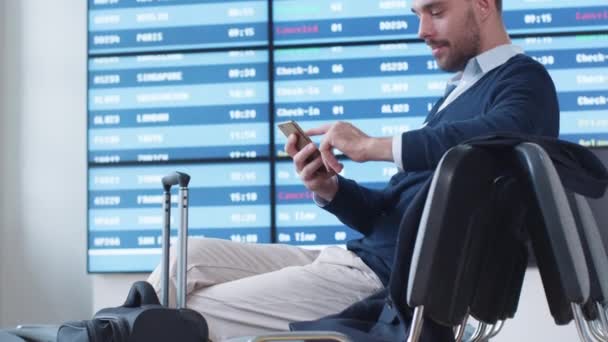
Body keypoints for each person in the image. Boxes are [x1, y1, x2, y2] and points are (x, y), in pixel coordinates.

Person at [147, 0, 559, 340]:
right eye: (416, 14)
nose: (421, 31)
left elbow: (496, 133)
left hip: (380, 280)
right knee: (186, 257)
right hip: (350, 257)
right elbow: (388, 217)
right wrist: (331, 189)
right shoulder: (458, 95)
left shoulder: (524, 83)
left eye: (435, 12)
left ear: (484, 5)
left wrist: (370, 147)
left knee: (179, 314)